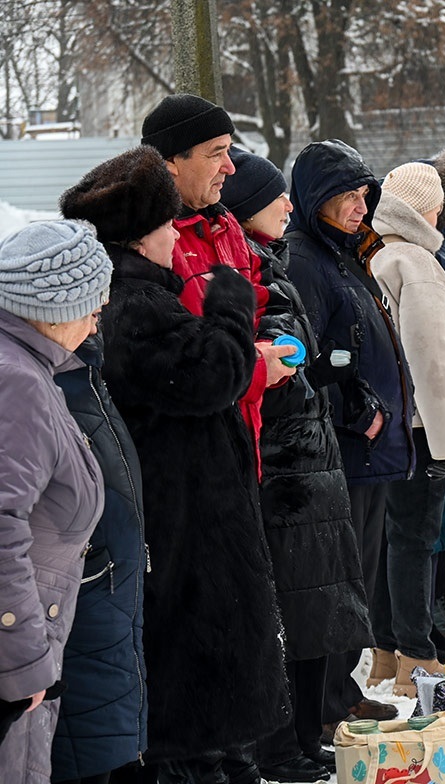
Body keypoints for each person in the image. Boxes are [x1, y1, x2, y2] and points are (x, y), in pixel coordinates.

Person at [61, 145, 290, 784]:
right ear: (142, 233)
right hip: (183, 518)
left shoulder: (137, 295)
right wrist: (229, 307)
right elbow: (207, 375)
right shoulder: (136, 303)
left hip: (187, 510)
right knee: (196, 684)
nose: (174, 237)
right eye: (165, 225)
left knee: (205, 683)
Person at [220, 147, 373, 782]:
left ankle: (307, 730)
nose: (285, 205)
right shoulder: (278, 264)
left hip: (308, 461)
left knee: (316, 604)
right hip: (284, 467)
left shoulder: (275, 261)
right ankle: (287, 738)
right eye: (273, 198)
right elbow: (286, 357)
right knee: (296, 607)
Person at [53, 151, 174, 784]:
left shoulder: (84, 364)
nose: (104, 308)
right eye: (92, 299)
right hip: (84, 601)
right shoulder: (40, 383)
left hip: (110, 596)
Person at [284, 140, 409, 733]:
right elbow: (303, 364)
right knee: (340, 582)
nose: (360, 207)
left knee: (356, 578)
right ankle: (327, 703)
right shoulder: (306, 260)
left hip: (374, 450)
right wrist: (357, 410)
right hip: (347, 449)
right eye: (346, 196)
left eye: (364, 195)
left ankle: (344, 689)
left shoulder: (345, 255)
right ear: (314, 199)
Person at [0, 221, 111, 784]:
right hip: (14, 656)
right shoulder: (16, 381)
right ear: (52, 308)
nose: (98, 320)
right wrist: (21, 659)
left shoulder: (30, 368)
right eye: (92, 305)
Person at [140, 93, 296, 453]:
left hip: (245, 440)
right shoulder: (149, 239)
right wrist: (256, 367)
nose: (230, 166)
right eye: (216, 153)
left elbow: (269, 300)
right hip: (187, 457)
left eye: (230, 151)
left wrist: (274, 345)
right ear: (170, 163)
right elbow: (168, 364)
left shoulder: (224, 224)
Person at [369, 162, 445, 698]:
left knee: (394, 539)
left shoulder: (378, 257)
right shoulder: (418, 264)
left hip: (391, 426)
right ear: (422, 208)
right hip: (423, 426)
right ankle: (417, 657)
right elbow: (432, 359)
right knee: (416, 541)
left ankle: (388, 653)